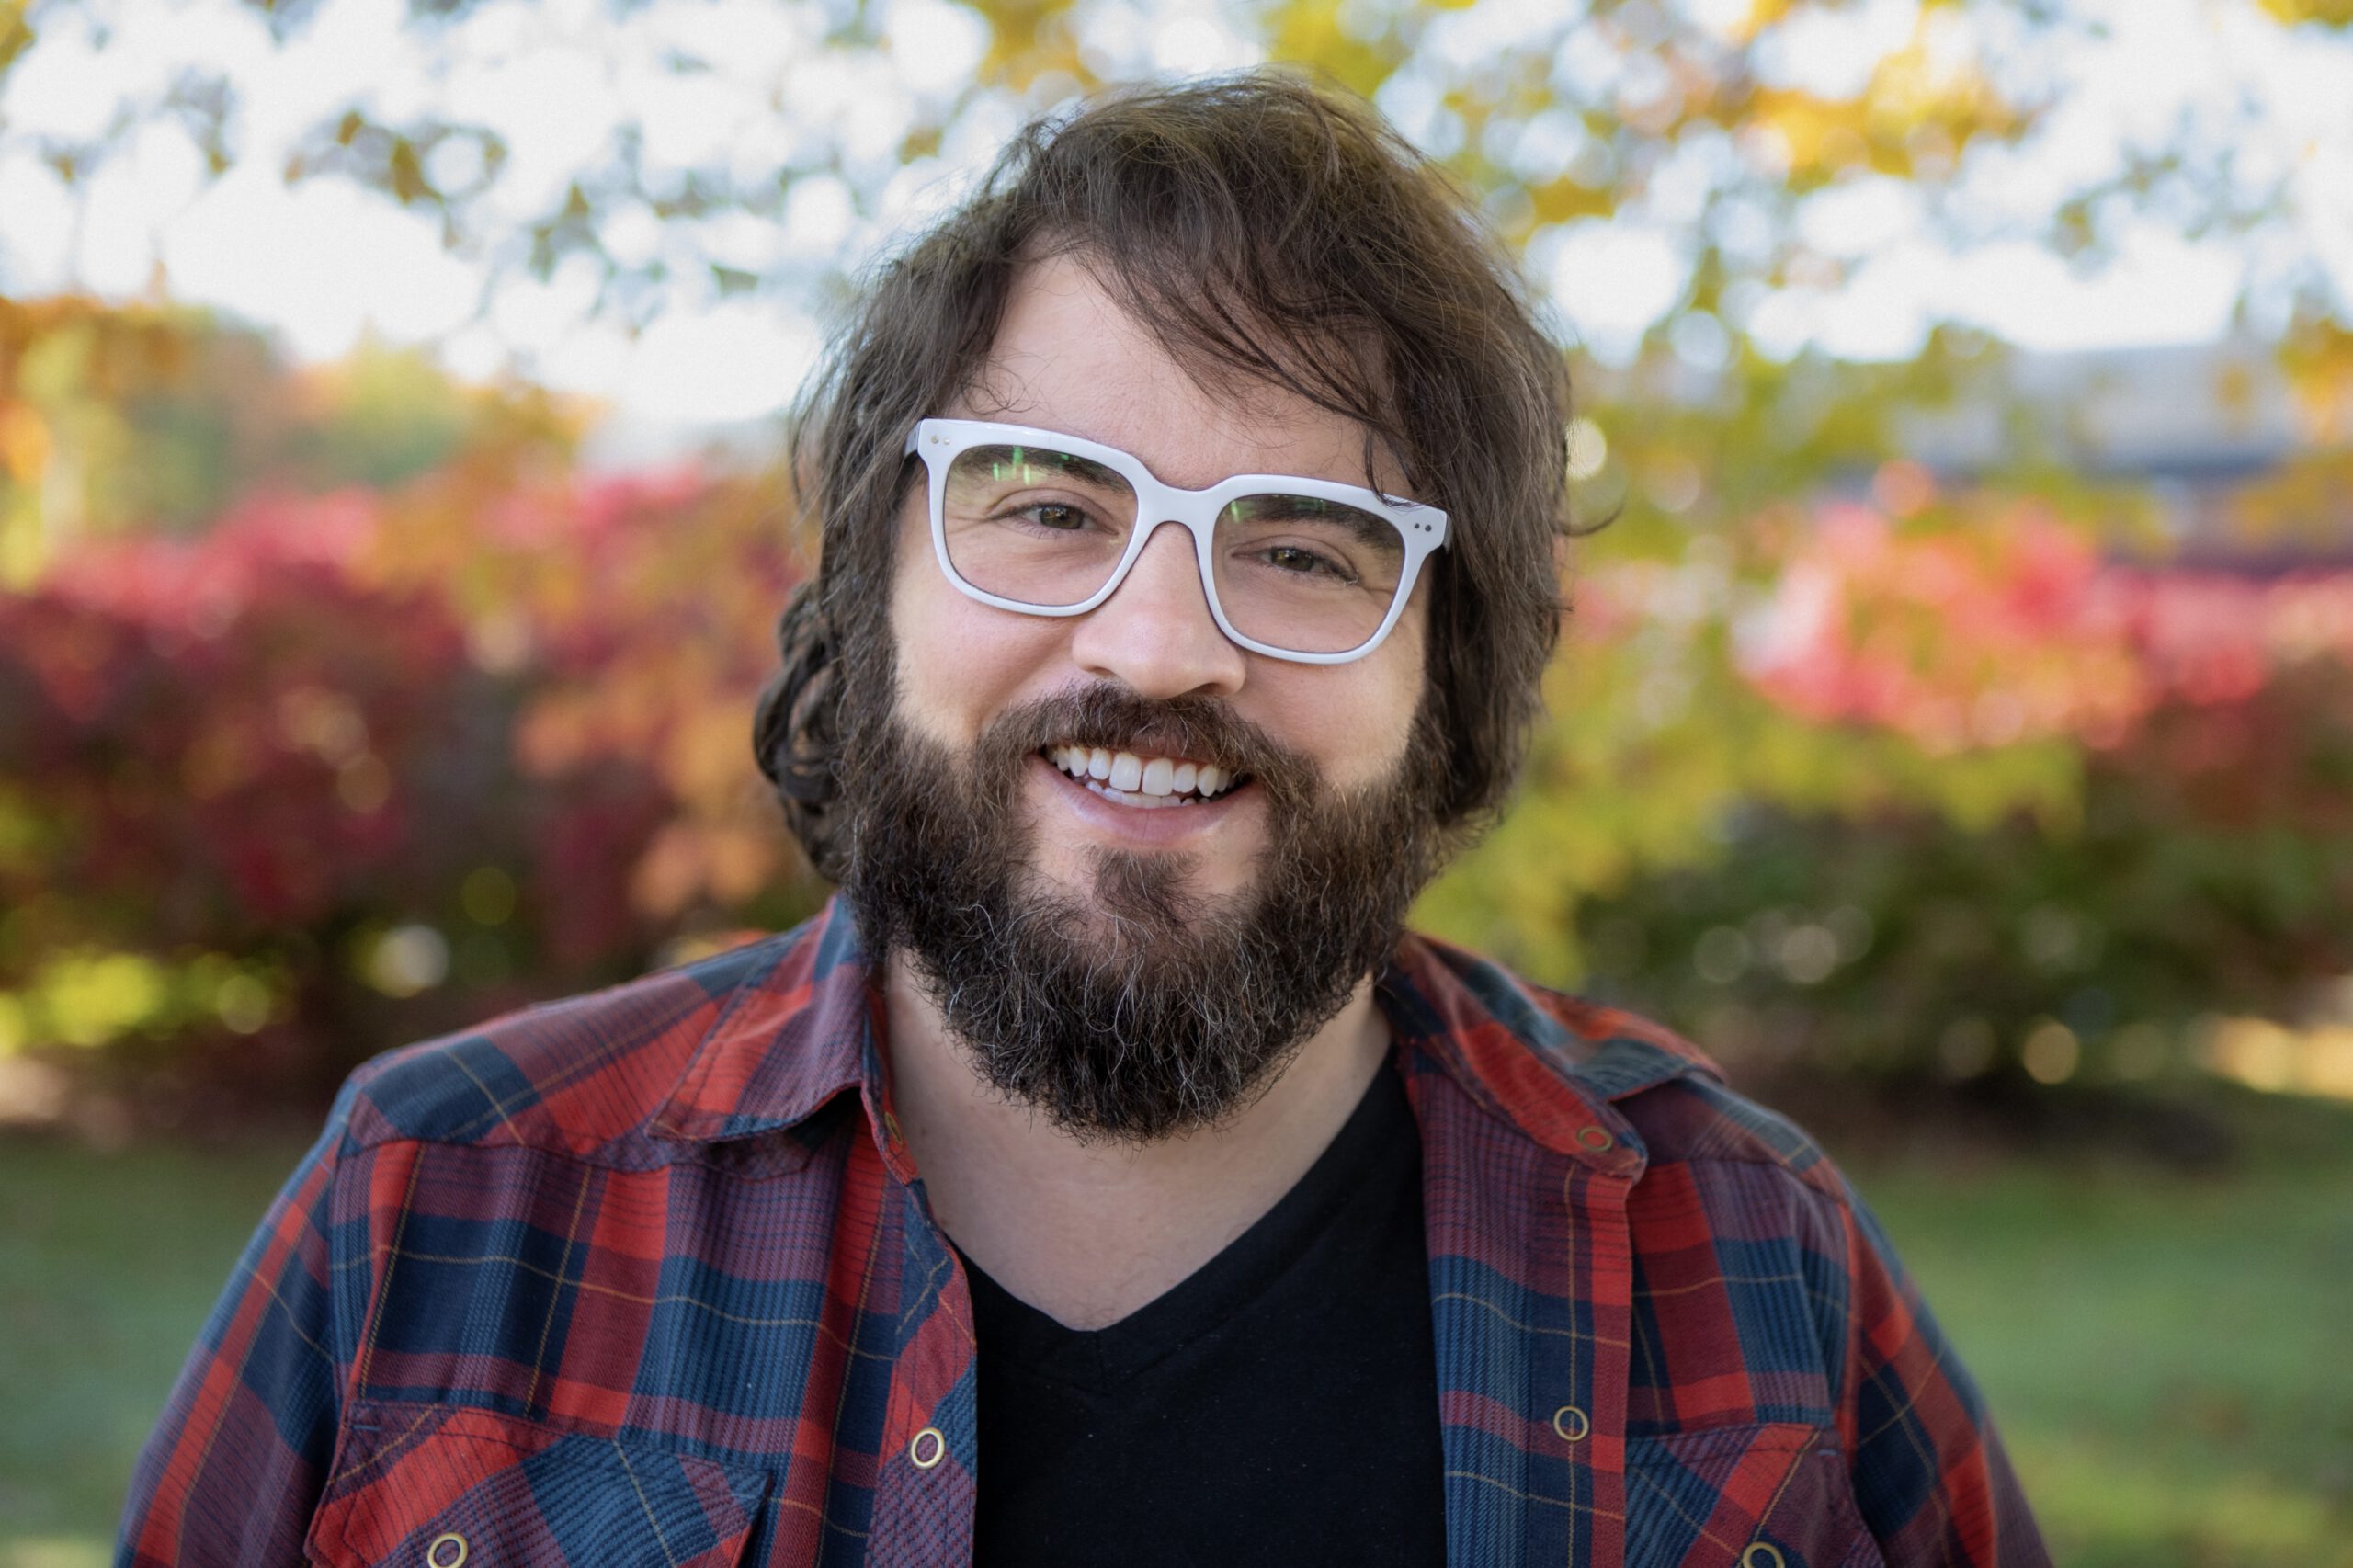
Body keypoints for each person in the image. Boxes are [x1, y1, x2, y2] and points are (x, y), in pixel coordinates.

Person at [119, 73, 2048, 1568]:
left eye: (1306, 548)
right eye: (1047, 507)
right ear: (873, 586)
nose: (1159, 641)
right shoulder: (433, 1210)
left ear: (1445, 672)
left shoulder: (1749, 1257)